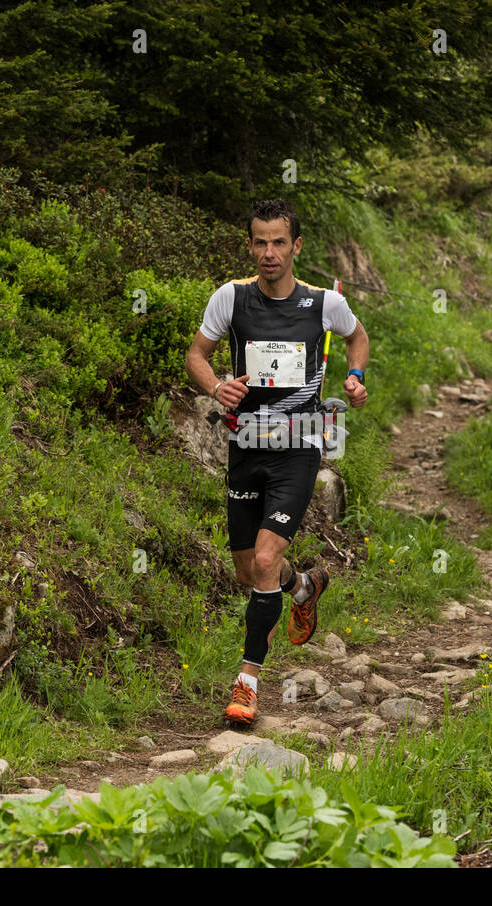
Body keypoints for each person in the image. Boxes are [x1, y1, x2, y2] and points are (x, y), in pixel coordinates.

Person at [184, 198, 369, 725]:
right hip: (246, 447)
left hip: (299, 445)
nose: (269, 252)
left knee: (265, 561)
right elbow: (197, 355)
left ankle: (247, 684)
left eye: (279, 242)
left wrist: (355, 378)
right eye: (260, 242)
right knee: (249, 571)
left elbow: (358, 337)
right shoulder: (232, 299)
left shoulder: (322, 304)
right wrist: (217, 386)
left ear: (296, 247)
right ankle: (305, 587)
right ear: (250, 246)